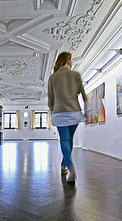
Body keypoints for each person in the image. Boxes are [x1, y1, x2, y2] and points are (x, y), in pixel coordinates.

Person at [47, 52, 88, 183]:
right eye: (71, 60)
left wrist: (52, 111)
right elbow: (83, 95)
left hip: (59, 112)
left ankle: (69, 166)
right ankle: (65, 165)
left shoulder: (52, 78)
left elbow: (50, 100)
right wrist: (87, 110)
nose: (72, 62)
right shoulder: (76, 75)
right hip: (74, 112)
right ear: (68, 60)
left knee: (64, 140)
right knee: (69, 140)